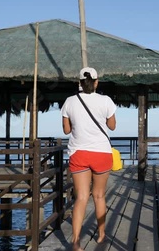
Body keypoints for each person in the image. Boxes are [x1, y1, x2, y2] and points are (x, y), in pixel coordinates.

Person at [61, 67, 117, 250]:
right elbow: (112, 126)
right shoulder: (106, 100)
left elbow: (66, 130)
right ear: (96, 82)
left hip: (79, 153)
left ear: (79, 83)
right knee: (99, 195)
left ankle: (76, 241)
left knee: (82, 197)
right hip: (101, 153)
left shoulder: (69, 102)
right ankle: (101, 235)